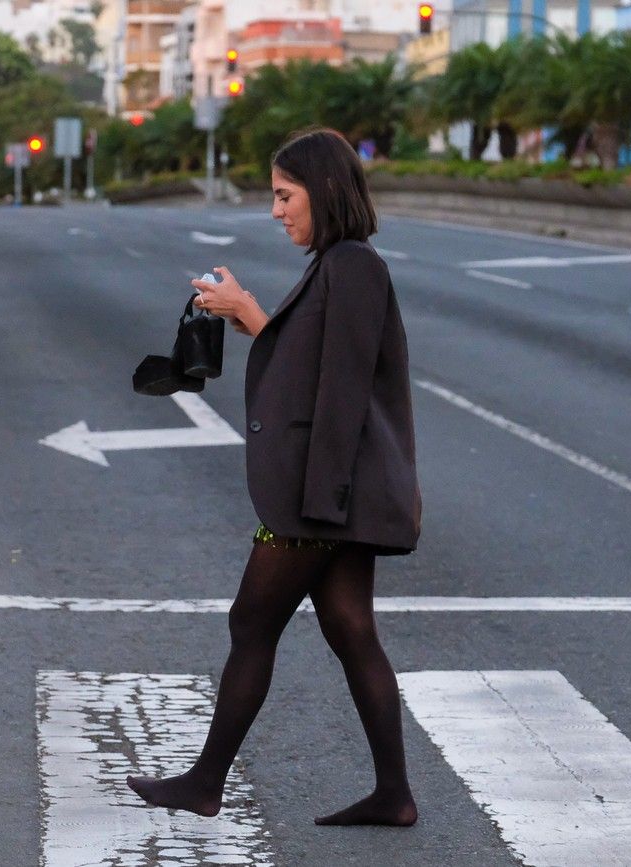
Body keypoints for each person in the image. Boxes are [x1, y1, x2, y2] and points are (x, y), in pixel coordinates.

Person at [126, 128, 422, 827]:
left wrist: (317, 505)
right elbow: (313, 362)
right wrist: (243, 311)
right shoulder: (338, 264)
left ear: (323, 192)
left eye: (285, 196)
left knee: (252, 621)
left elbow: (342, 390)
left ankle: (204, 781)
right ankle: (394, 793)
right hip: (332, 490)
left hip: (321, 495)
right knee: (351, 627)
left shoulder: (353, 267)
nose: (275, 210)